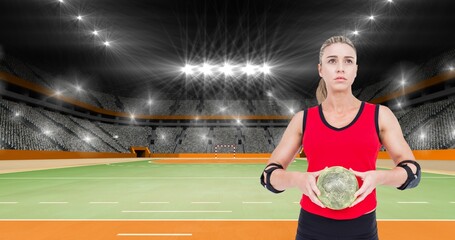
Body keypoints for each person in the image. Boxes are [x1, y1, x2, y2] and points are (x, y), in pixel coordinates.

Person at [260, 36, 421, 240]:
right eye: (332, 60)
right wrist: (298, 179)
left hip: (362, 229)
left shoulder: (380, 115)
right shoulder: (303, 119)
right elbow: (268, 176)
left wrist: (378, 177)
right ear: (321, 69)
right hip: (311, 228)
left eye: (348, 61)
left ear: (356, 70)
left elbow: (413, 173)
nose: (340, 68)